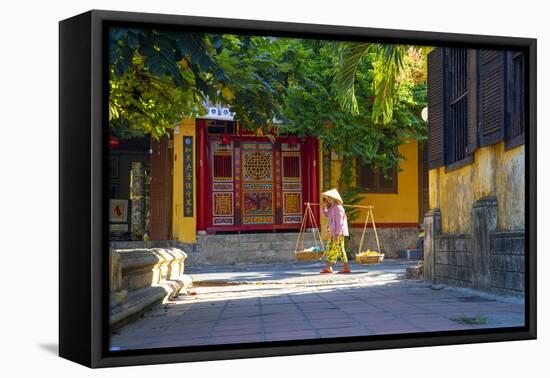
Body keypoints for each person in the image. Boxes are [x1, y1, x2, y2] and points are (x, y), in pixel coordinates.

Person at [320, 189, 351, 274]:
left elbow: (340, 222)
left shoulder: (338, 208)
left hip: (338, 233)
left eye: (329, 198)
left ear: (334, 198)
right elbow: (327, 215)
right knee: (330, 249)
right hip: (332, 233)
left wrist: (337, 234)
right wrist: (324, 207)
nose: (328, 199)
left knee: (340, 249)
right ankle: (328, 267)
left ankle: (346, 267)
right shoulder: (333, 207)